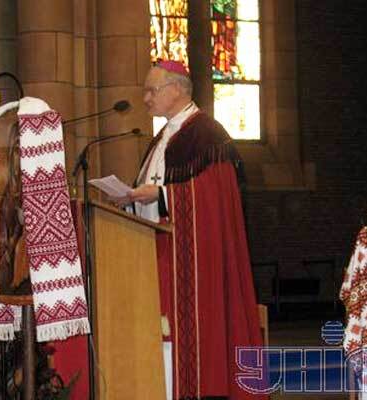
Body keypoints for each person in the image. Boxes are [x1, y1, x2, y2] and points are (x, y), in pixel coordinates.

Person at [114, 60, 267, 399]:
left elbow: (216, 198)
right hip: (154, 258)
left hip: (194, 266)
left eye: (151, 90)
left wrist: (162, 196)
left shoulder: (207, 135)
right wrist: (134, 200)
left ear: (177, 89)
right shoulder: (162, 138)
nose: (145, 99)